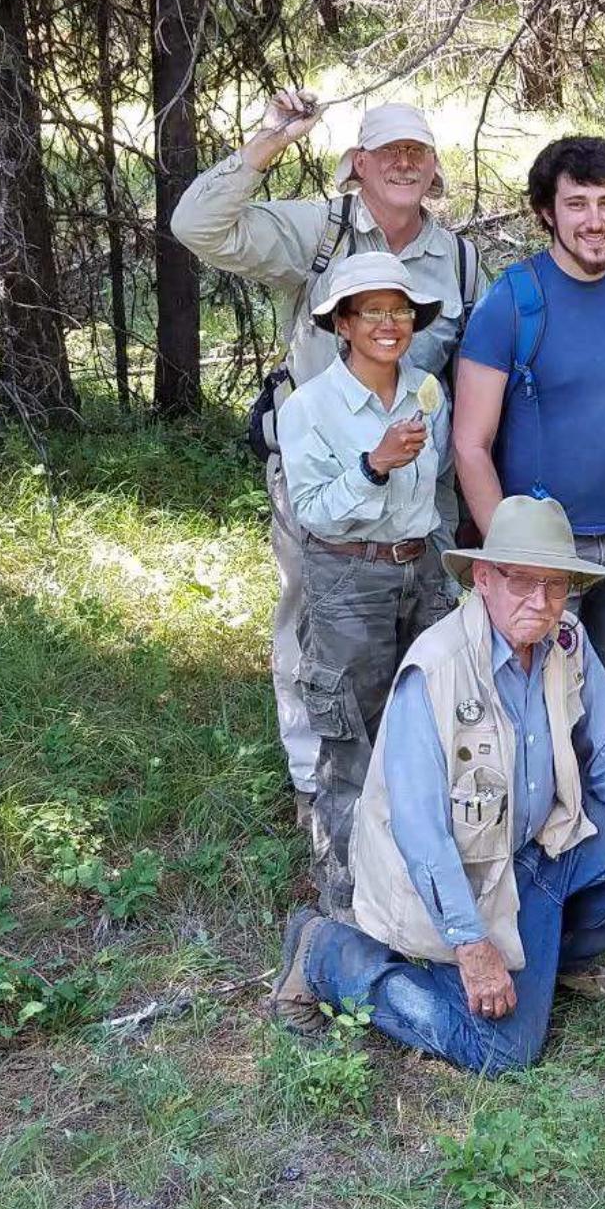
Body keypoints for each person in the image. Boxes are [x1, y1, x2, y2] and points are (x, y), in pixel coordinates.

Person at [269, 496, 605, 1074]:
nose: (539, 601)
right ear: (483, 578)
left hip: (541, 849)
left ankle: (542, 961)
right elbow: (421, 836)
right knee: (502, 1053)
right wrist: (471, 945)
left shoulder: (566, 640)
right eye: (521, 580)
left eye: (554, 584)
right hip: (465, 882)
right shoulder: (437, 668)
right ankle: (329, 955)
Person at [173, 93, 485, 819]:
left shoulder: (460, 261)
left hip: (419, 489)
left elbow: (474, 371)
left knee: (425, 626)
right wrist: (269, 141)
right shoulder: (321, 232)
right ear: (360, 164)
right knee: (313, 623)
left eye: (417, 152)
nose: (404, 164)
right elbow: (196, 226)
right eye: (389, 152)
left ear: (433, 168)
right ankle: (318, 781)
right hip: (320, 476)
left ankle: (408, 778)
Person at [452, 136, 605, 717]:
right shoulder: (512, 302)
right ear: (547, 212)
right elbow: (470, 443)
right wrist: (510, 555)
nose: (595, 221)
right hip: (543, 552)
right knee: (537, 699)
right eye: (577, 204)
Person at [276, 252, 460, 916]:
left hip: (422, 571)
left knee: (429, 725)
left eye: (400, 310)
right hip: (348, 577)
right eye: (372, 311)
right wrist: (373, 465)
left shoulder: (427, 392)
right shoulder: (310, 407)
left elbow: (438, 485)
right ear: (343, 324)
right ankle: (345, 898)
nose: (389, 323)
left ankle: (418, 884)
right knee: (351, 737)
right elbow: (313, 511)